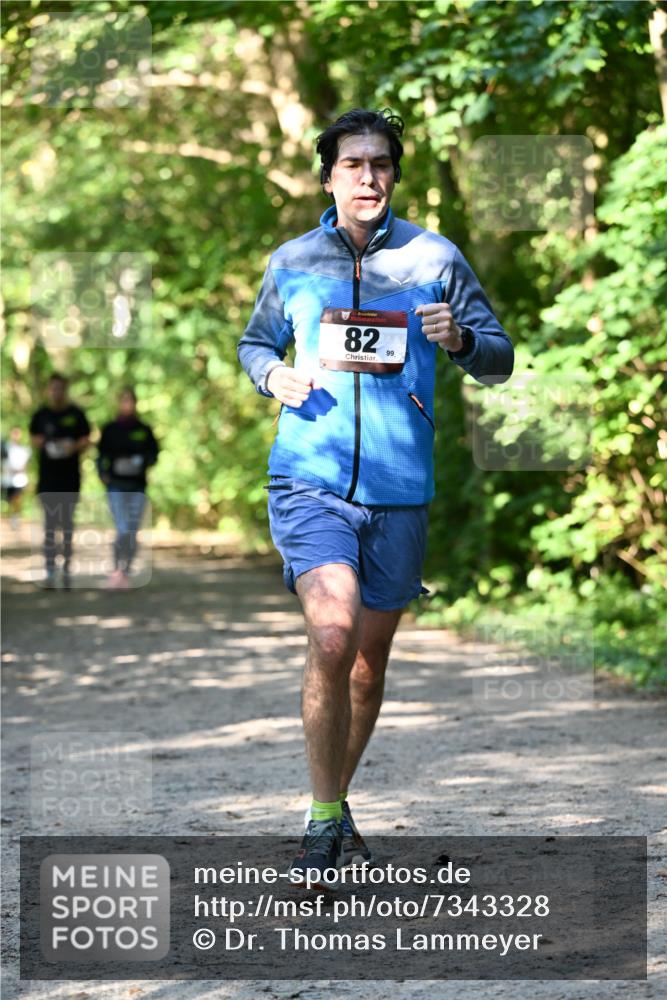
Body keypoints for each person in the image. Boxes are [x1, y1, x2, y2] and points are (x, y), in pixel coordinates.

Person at [238, 108, 514, 888]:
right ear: (327, 175)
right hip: (308, 479)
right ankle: (321, 825)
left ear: (394, 174)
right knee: (330, 635)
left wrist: (459, 339)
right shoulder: (292, 259)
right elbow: (256, 341)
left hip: (398, 491)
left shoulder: (434, 257)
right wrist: (272, 374)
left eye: (381, 164)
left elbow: (499, 357)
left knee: (365, 665)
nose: (368, 177)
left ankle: (333, 799)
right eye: (352, 164)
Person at [29, 373, 91, 589]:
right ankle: (49, 571)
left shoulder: (76, 415)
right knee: (49, 527)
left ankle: (66, 570)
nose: (56, 392)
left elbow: (86, 438)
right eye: (53, 388)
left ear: (65, 390)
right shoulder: (41, 415)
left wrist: (72, 446)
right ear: (48, 389)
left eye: (60, 388)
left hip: (70, 480)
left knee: (67, 527)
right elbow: (33, 438)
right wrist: (47, 444)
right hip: (47, 480)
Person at [97, 387, 159, 589]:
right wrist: (103, 474)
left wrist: (143, 462)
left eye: (130, 400)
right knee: (122, 528)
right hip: (115, 485)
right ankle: (116, 569)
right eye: (123, 400)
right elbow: (100, 456)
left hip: (137, 486)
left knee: (132, 530)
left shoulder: (143, 430)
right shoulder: (110, 429)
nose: (127, 404)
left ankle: (126, 570)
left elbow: (154, 454)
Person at [1, 426, 31, 531]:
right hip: (8, 479)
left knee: (17, 499)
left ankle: (16, 518)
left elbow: (26, 466)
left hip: (19, 480)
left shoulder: (24, 450)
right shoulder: (5, 448)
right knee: (10, 500)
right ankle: (12, 518)